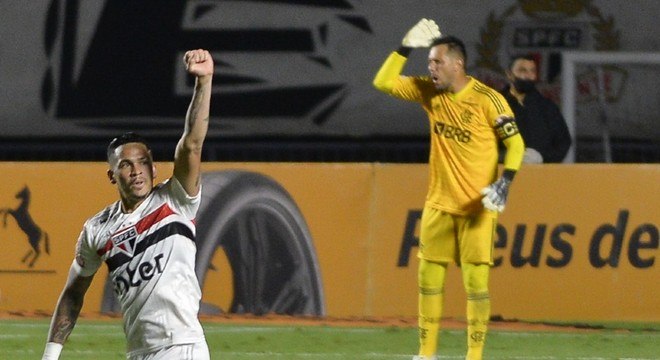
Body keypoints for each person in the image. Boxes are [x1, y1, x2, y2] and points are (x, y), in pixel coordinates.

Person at [41, 49, 214, 360]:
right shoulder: (97, 230)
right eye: (126, 165)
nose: (136, 170)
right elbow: (73, 293)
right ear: (112, 175)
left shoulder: (175, 201)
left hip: (182, 348)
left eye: (143, 162)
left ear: (154, 168)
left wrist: (204, 81)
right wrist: (50, 355)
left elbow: (191, 144)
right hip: (138, 352)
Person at [373, 19, 525, 360]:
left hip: (477, 209)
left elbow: (515, 145)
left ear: (458, 64)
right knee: (428, 281)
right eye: (429, 62)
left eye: (436, 62)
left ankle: (474, 356)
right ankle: (426, 355)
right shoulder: (429, 92)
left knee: (476, 286)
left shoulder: (490, 100)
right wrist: (404, 47)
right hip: (438, 205)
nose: (431, 68)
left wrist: (506, 181)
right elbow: (382, 82)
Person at [502, 54, 572, 163]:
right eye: (522, 71)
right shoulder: (493, 105)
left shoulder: (547, 108)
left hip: (540, 174)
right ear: (509, 74)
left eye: (532, 71)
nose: (528, 75)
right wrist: (505, 156)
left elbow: (563, 142)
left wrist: (541, 157)